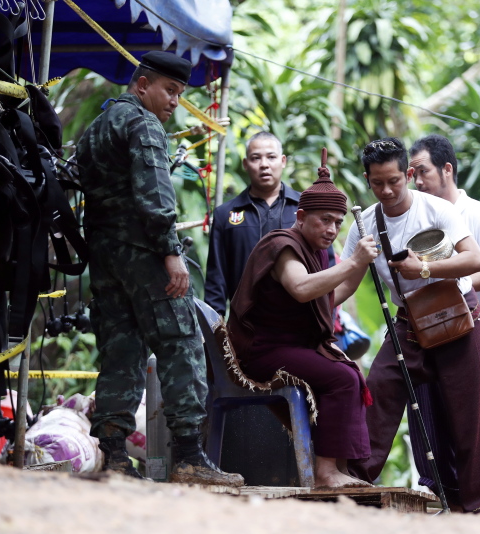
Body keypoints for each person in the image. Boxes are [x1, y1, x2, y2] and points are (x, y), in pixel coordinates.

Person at [77, 51, 243, 487]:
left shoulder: (98, 126)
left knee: (121, 350)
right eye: (169, 90)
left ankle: (114, 456)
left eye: (180, 93)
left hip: (105, 258)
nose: (174, 101)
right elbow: (154, 194)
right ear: (142, 84)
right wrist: (171, 253)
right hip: (144, 254)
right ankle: (189, 456)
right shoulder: (143, 124)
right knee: (181, 341)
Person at [341, 137, 480, 516]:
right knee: (378, 391)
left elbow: (474, 260)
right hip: (408, 323)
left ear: (408, 174)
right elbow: (346, 281)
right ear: (367, 180)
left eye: (394, 181)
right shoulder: (364, 222)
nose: (387, 190)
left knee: (472, 409)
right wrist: (314, 302)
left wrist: (423, 268)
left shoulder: (437, 209)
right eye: (377, 183)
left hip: (456, 315)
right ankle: (353, 483)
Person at [228, 156, 379, 487]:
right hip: (262, 350)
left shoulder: (314, 251)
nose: (332, 230)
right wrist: (353, 260)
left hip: (289, 348)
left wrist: (361, 265)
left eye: (337, 222)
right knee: (342, 378)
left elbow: (332, 296)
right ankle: (325, 473)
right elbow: (301, 288)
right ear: (300, 216)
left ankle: (340, 471)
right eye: (325, 220)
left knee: (350, 373)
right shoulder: (283, 245)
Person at [403, 134, 480, 504]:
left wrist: (451, 286)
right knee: (426, 414)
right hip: (422, 329)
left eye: (423, 172)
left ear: (447, 169)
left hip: (468, 326)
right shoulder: (413, 215)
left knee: (471, 417)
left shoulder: (478, 213)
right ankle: (444, 498)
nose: (417, 181)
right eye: (412, 174)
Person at [204, 132, 301, 317]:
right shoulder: (225, 215)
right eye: (256, 158)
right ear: (245, 164)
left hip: (298, 319)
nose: (264, 164)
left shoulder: (306, 208)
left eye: (271, 157)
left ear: (283, 161)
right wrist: (214, 328)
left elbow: (324, 265)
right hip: (245, 321)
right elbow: (216, 280)